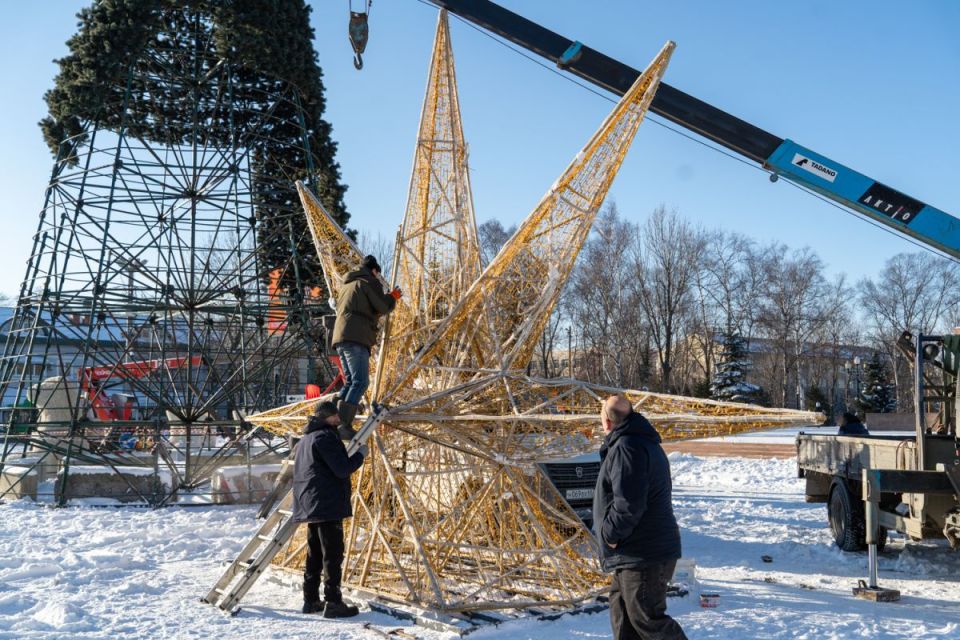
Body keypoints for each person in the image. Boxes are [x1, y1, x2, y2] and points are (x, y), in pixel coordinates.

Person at [593, 394, 687, 640]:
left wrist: (610, 535)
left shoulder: (628, 447)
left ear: (607, 422)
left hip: (643, 553)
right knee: (624, 618)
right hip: (633, 553)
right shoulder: (639, 442)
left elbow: (628, 504)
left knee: (647, 620)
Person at [291, 400, 368, 617]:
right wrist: (361, 455)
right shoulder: (325, 437)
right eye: (335, 417)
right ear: (327, 417)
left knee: (314, 553)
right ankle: (333, 603)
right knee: (332, 555)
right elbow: (342, 469)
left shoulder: (306, 439)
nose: (339, 420)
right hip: (327, 503)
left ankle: (311, 600)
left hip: (311, 502)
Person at [331, 255, 402, 440]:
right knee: (360, 382)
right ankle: (344, 424)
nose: (379, 277)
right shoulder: (369, 282)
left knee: (350, 382)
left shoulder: (347, 285)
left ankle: (331, 417)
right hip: (357, 337)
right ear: (374, 270)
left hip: (341, 338)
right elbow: (383, 306)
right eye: (378, 273)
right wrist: (392, 297)